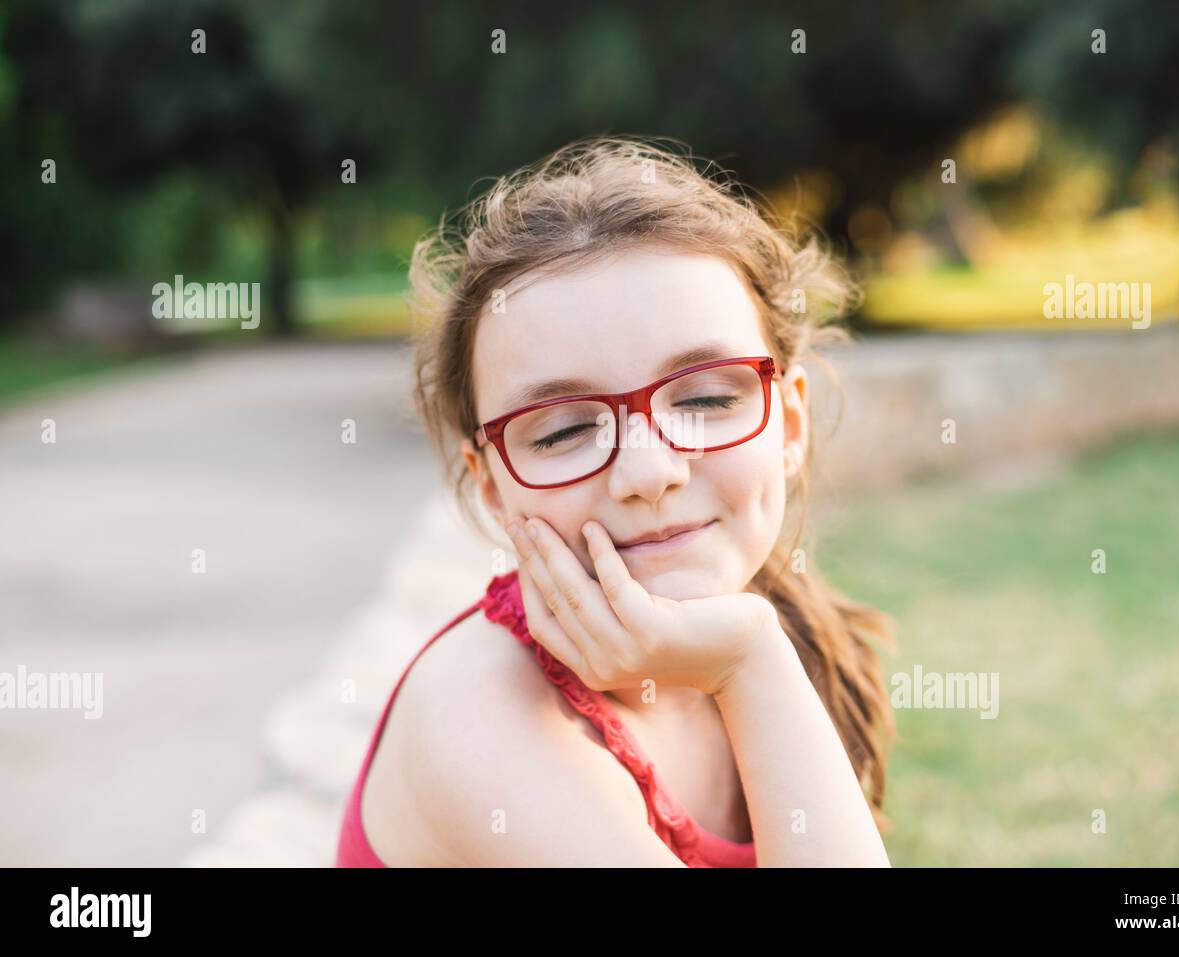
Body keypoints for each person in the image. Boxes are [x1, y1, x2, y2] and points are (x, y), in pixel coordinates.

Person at [336, 134, 896, 867]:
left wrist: (757, 661)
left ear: (788, 421)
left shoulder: (801, 640)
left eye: (702, 397)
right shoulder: (476, 710)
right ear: (493, 486)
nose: (648, 470)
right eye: (566, 429)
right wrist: (752, 663)